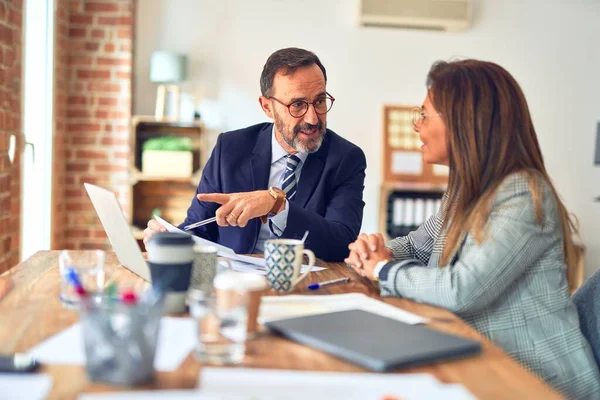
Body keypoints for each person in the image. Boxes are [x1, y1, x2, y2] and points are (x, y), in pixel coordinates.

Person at [345, 59, 600, 399]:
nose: (416, 126)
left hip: (537, 380)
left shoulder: (523, 194)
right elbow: (417, 246)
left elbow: (461, 290)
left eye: (424, 115)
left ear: (464, 122)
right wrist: (373, 251)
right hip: (481, 363)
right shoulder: (465, 191)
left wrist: (382, 268)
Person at [144, 47, 366, 261]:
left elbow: (342, 243)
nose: (313, 118)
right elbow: (200, 229)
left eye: (319, 101)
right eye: (297, 105)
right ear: (267, 107)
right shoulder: (229, 148)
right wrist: (170, 240)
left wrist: (277, 206)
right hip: (235, 282)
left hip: (307, 283)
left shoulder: (346, 159)